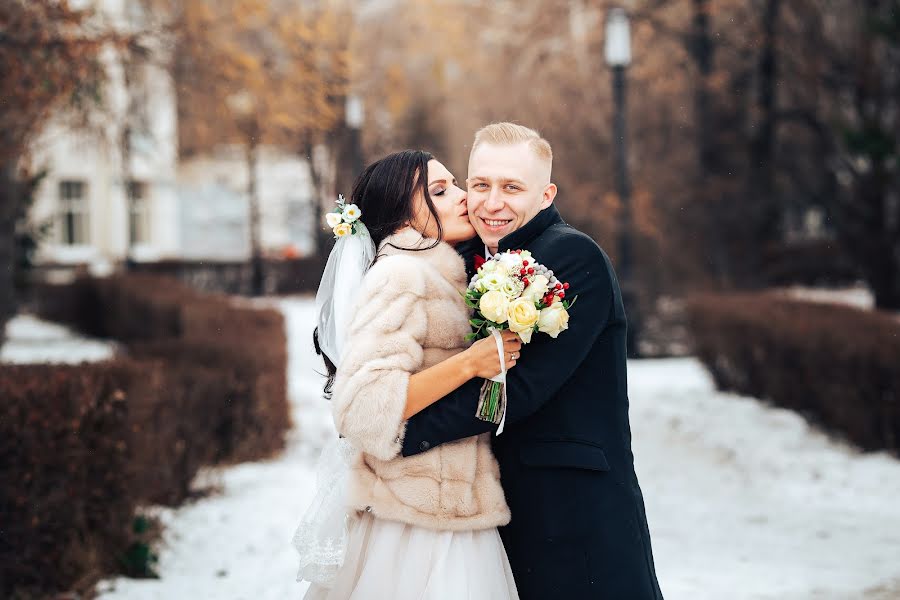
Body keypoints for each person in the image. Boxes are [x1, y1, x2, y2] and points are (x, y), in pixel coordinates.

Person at [399, 123, 665, 599]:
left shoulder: (572, 257)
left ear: (546, 194)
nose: (491, 202)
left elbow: (518, 391)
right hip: (499, 512)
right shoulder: (467, 257)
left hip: (576, 510)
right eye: (480, 185)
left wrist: (402, 432)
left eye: (511, 188)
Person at [302, 149, 522, 600]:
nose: (464, 198)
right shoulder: (401, 275)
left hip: (456, 511)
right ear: (402, 219)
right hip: (413, 527)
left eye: (455, 184)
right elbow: (362, 407)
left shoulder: (442, 275)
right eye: (440, 192)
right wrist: (469, 363)